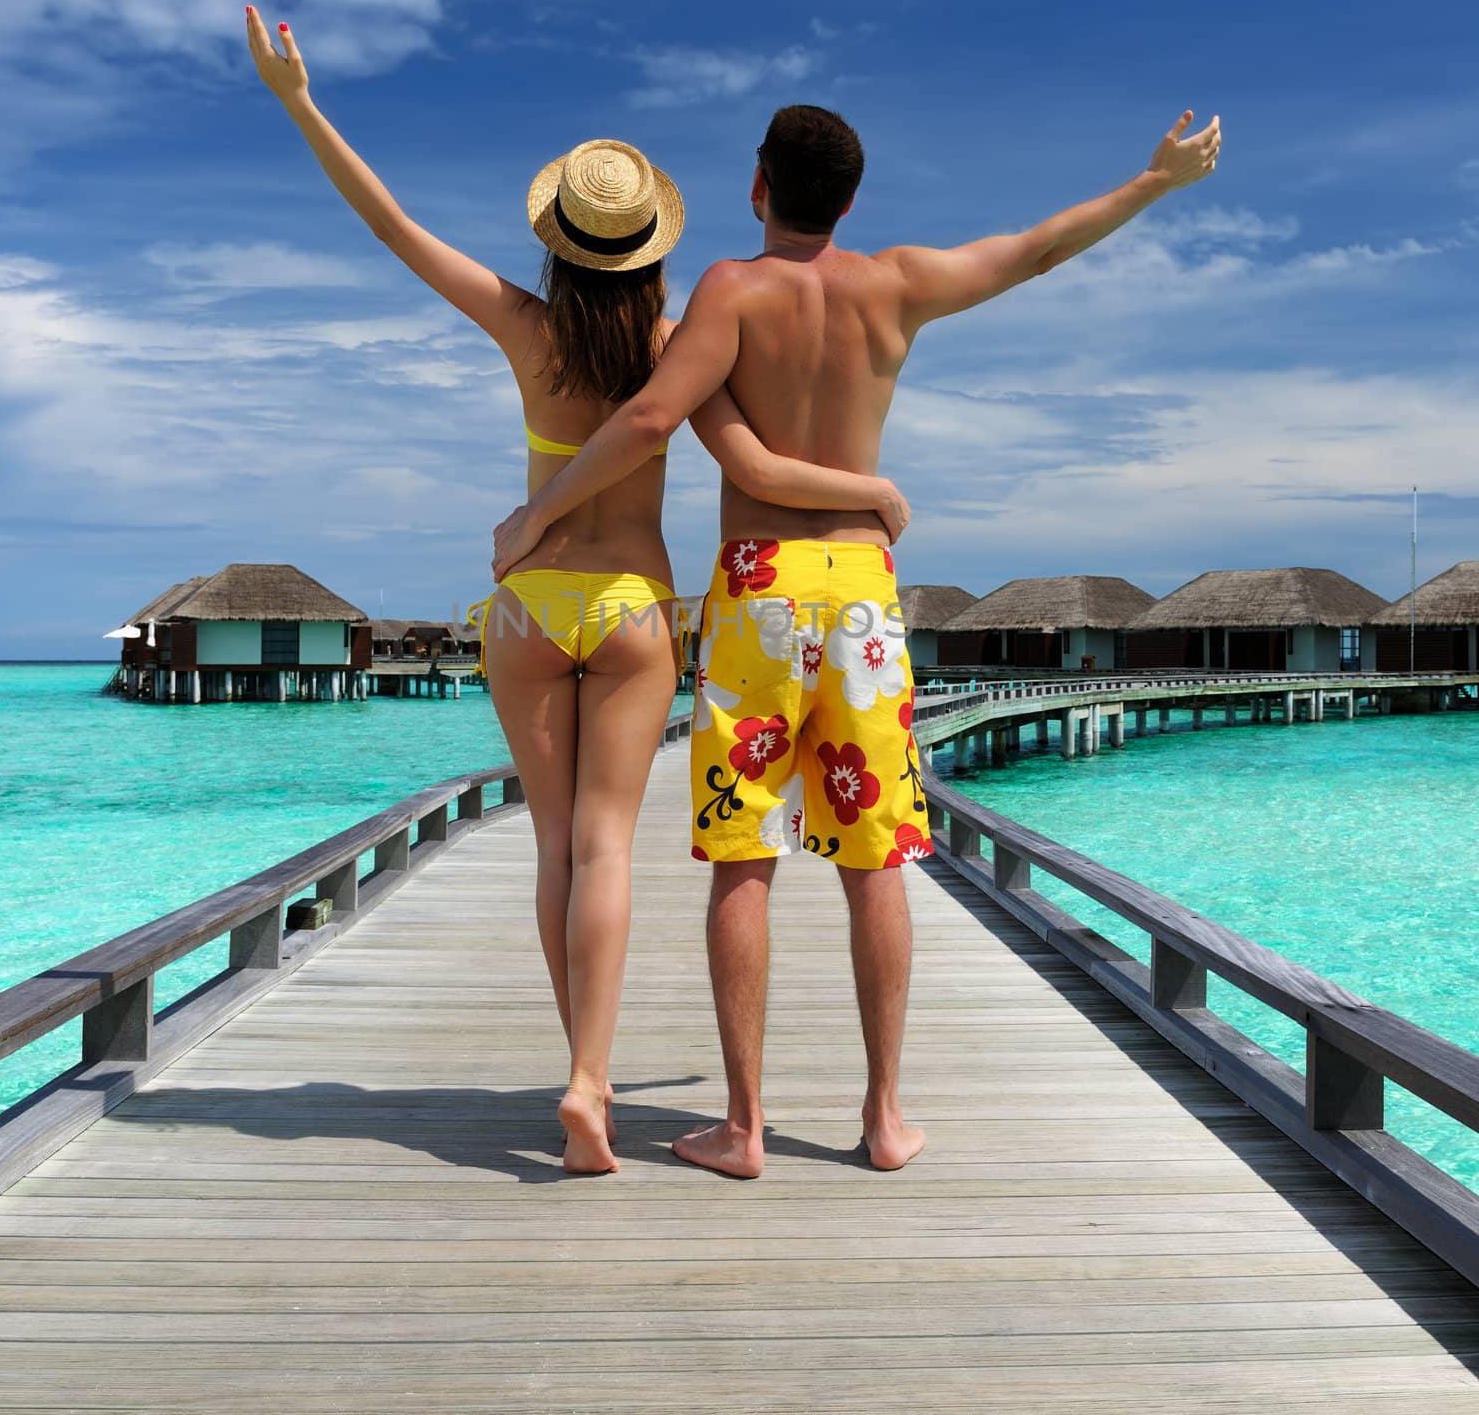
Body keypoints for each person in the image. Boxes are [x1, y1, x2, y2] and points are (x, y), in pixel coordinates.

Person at [492, 102, 1223, 1177]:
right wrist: (1153, 180)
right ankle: (883, 1117)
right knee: (875, 860)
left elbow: (650, 420)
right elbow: (1036, 248)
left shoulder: (730, 292)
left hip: (758, 590)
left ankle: (742, 1128)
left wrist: (540, 512)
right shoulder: (898, 285)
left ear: (756, 187)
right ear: (848, 200)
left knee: (745, 857)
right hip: (864, 593)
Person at [246, 14, 908, 1174]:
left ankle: (583, 1077)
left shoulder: (523, 327)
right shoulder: (679, 343)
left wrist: (301, 104)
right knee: (608, 850)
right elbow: (753, 468)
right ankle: (599, 1086)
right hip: (634, 609)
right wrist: (875, 494)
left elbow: (391, 225)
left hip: (527, 608)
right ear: (651, 245)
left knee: (553, 847)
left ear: (557, 242)